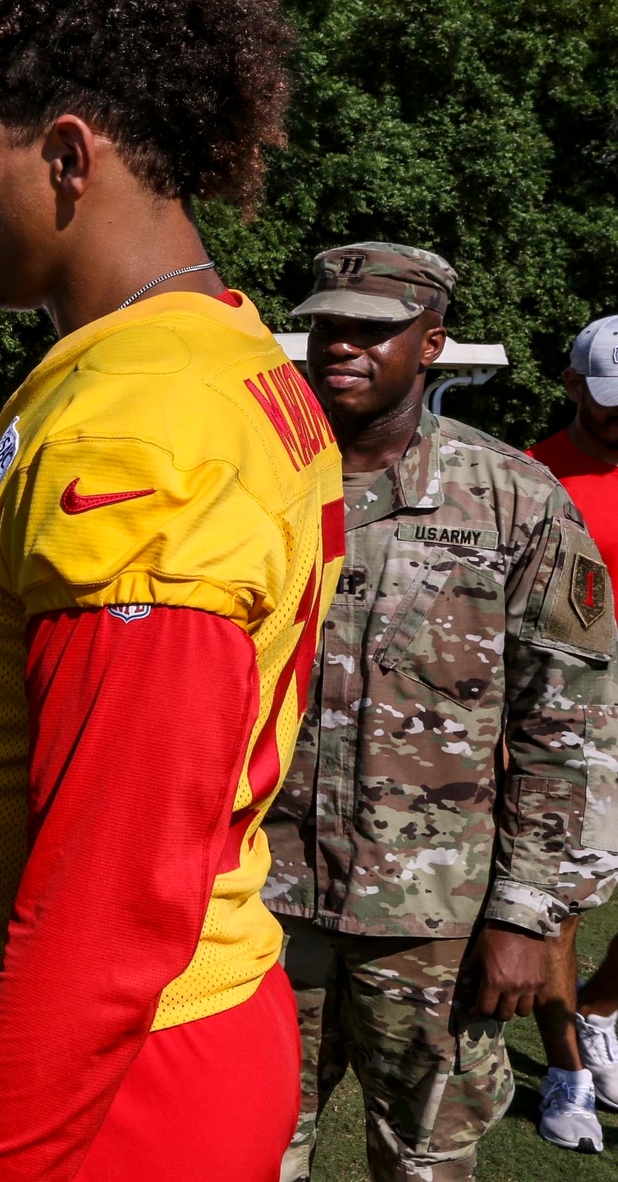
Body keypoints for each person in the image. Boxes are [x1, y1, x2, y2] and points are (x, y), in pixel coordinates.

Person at [0, 0, 339, 1182]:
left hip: (97, 1068)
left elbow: (111, 886)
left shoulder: (138, 424)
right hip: (163, 1021)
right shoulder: (215, 356)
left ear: (69, 156)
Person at [266, 244, 618, 1176]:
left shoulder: (514, 499)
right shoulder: (258, 482)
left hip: (435, 919)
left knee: (425, 1159)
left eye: (375, 330)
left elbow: (570, 724)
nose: (344, 346)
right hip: (264, 904)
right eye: (330, 325)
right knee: (248, 1149)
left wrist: (526, 916)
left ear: (432, 344)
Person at [521, 312, 618, 1150]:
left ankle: (600, 1008)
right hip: (574, 716)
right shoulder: (532, 480)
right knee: (562, 903)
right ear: (573, 385)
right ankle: (567, 1072)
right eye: (609, 399)